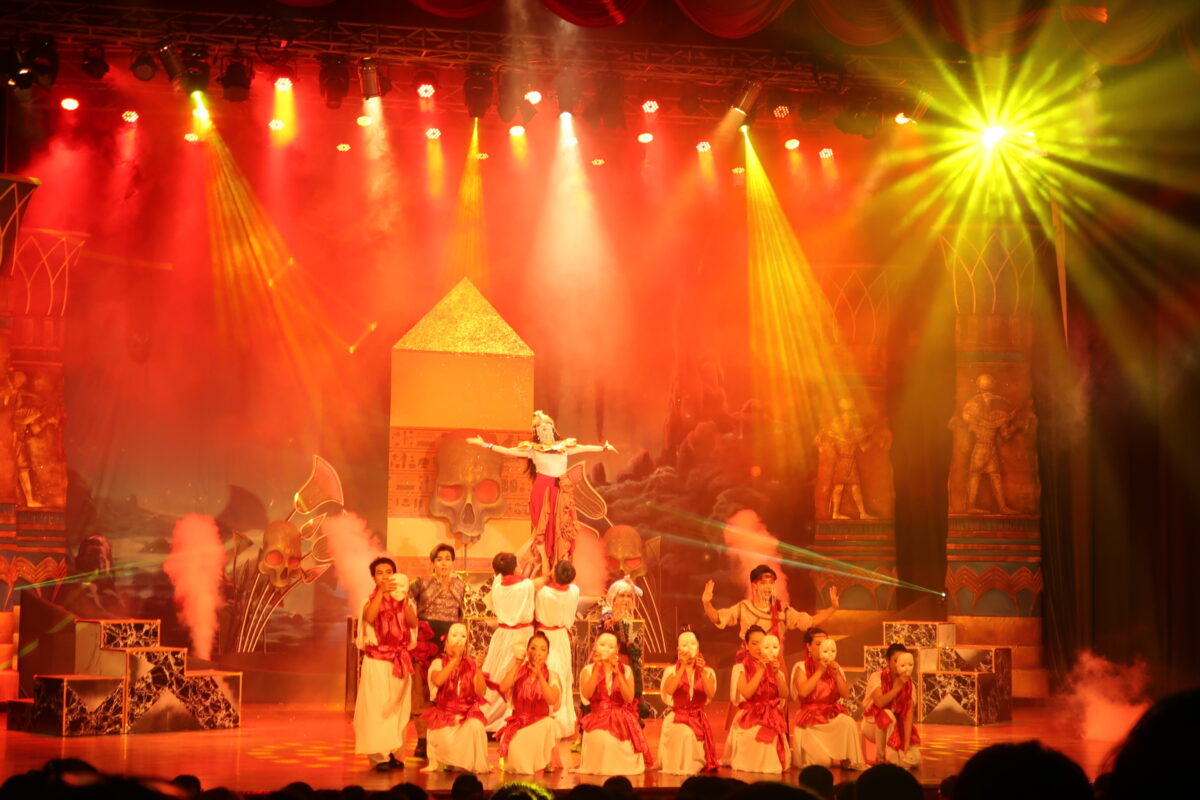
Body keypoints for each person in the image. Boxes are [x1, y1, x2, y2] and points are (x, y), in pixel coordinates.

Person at [467, 411, 616, 578]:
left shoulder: (563, 447)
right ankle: (542, 565)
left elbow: (585, 448)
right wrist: (486, 445)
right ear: (537, 434)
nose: (544, 432)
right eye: (540, 430)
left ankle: (559, 567)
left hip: (561, 491)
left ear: (552, 428)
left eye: (546, 428)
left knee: (562, 529)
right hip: (542, 491)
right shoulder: (533, 450)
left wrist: (603, 448)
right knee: (542, 532)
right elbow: (509, 451)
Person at [353, 557, 418, 771]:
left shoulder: (404, 599)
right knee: (377, 708)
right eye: (380, 573)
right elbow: (370, 618)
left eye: (388, 572)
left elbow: (413, 623)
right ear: (374, 577)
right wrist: (382, 592)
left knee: (399, 710)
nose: (385, 576)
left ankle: (396, 753)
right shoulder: (368, 601)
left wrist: (404, 601)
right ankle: (379, 756)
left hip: (399, 661)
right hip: (377, 662)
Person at [409, 543, 467, 760]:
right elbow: (404, 601)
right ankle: (422, 741)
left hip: (449, 642)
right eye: (439, 559)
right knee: (422, 692)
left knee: (448, 690)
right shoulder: (421, 583)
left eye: (448, 559)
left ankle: (445, 739)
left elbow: (461, 617)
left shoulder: (460, 586)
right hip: (425, 641)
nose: (444, 563)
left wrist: (459, 645)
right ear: (433, 563)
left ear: (453, 562)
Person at [702, 564, 839, 650]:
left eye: (771, 583)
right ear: (754, 585)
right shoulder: (744, 607)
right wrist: (707, 603)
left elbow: (810, 622)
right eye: (763, 583)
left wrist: (832, 608)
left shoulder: (782, 609)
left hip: (775, 664)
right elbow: (718, 618)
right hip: (749, 665)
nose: (768, 587)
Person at [480, 552, 545, 731]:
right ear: (515, 568)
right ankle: (508, 716)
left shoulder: (497, 583)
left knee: (496, 673)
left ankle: (487, 713)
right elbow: (541, 582)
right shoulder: (525, 586)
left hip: (502, 634)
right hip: (520, 636)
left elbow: (519, 578)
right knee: (516, 675)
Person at [577, 631, 650, 775]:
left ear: (617, 649)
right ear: (595, 646)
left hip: (621, 718)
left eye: (611, 646)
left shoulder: (626, 670)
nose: (606, 649)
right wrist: (597, 669)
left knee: (620, 742)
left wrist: (618, 674)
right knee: (602, 738)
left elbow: (629, 698)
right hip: (598, 716)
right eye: (602, 644)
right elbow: (586, 695)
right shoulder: (588, 670)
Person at [420, 622, 489, 774]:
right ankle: (450, 762)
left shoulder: (471, 665)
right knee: (446, 743)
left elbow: (481, 692)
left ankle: (469, 765)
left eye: (463, 636)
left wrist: (478, 669)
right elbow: (438, 680)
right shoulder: (438, 663)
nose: (458, 640)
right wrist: (454, 661)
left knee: (476, 726)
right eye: (455, 635)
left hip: (465, 719)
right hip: (444, 720)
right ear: (446, 644)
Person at [791, 629, 864, 770]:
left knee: (848, 722)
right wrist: (820, 670)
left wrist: (837, 674)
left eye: (825, 643)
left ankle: (849, 760)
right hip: (811, 720)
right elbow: (803, 691)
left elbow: (846, 694)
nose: (822, 647)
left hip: (830, 714)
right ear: (809, 646)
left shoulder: (835, 667)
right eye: (818, 644)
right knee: (822, 764)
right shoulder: (801, 667)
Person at [496, 631, 562, 774]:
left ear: (547, 654)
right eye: (533, 648)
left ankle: (543, 760)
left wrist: (540, 676)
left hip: (540, 724)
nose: (537, 653)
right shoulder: (518, 672)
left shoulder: (552, 676)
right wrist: (517, 664)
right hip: (519, 723)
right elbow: (502, 687)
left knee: (549, 723)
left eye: (543, 649)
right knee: (516, 748)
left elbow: (552, 699)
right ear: (527, 651)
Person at [728, 627, 790, 773]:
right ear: (746, 645)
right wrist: (761, 669)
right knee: (753, 735)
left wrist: (776, 673)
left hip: (771, 716)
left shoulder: (775, 667)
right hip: (750, 715)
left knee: (769, 738)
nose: (758, 648)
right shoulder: (740, 668)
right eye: (754, 643)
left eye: (762, 643)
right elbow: (747, 693)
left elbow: (785, 694)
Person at [659, 629, 718, 774]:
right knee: (685, 733)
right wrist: (682, 667)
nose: (689, 648)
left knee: (689, 733)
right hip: (677, 718)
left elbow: (710, 693)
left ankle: (694, 763)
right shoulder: (671, 671)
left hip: (698, 718)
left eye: (692, 644)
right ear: (678, 649)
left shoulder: (708, 671)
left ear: (698, 647)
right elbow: (669, 690)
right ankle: (681, 765)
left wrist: (702, 671)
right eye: (684, 645)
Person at [536, 560, 581, 740]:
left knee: (550, 674)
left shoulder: (543, 593)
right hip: (562, 636)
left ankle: (550, 721)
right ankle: (564, 722)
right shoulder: (574, 591)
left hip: (546, 636)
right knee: (562, 675)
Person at [861, 644, 920, 768]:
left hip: (897, 727)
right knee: (887, 714)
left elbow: (908, 715)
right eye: (896, 660)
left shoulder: (910, 685)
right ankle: (880, 758)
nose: (900, 664)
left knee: (913, 761)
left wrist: (906, 745)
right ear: (888, 661)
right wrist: (898, 687)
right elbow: (880, 703)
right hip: (873, 725)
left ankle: (895, 755)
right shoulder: (877, 677)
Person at [598, 577, 646, 710]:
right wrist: (614, 621)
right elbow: (603, 633)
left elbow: (627, 639)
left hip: (625, 661)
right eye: (622, 596)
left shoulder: (627, 616)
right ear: (614, 598)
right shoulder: (607, 615)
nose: (626, 599)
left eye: (629, 596)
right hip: (610, 661)